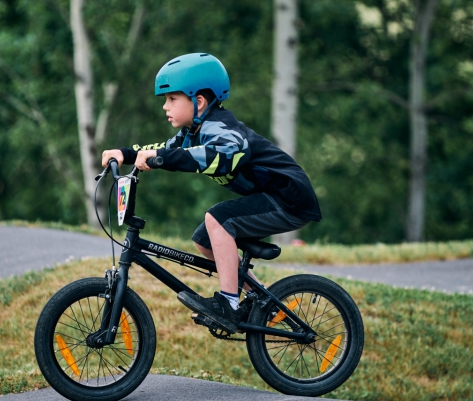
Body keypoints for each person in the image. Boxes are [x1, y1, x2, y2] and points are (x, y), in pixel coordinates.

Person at [101, 53, 321, 334]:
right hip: (272, 197)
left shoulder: (221, 127)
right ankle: (260, 300)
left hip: (289, 197)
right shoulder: (192, 132)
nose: (165, 106)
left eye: (172, 99)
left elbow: (224, 154)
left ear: (200, 101)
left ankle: (228, 303)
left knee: (218, 218)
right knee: (204, 240)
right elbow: (166, 150)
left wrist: (161, 159)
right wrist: (126, 154)